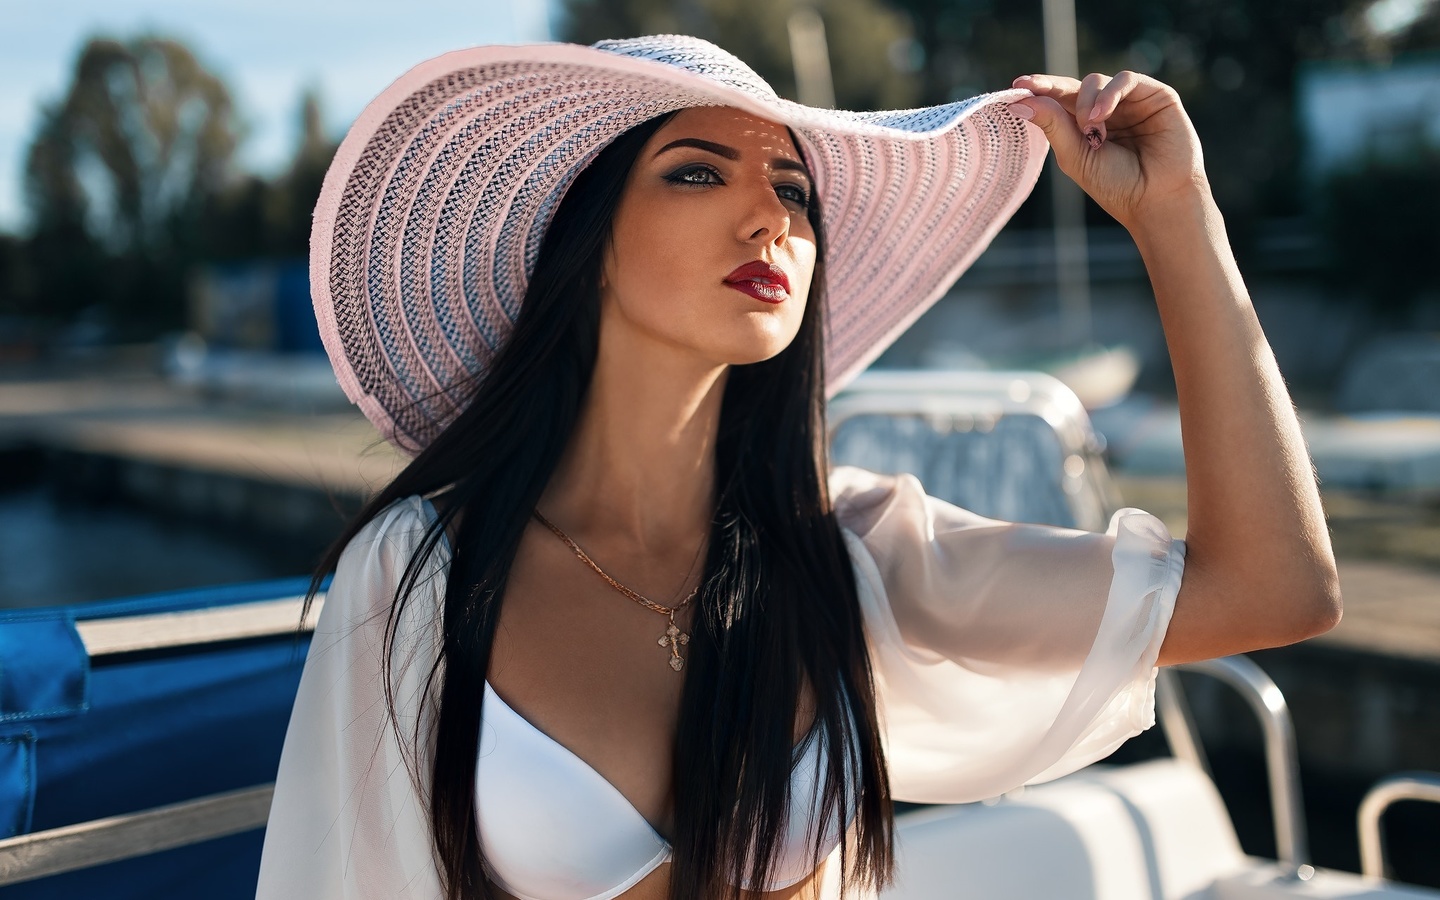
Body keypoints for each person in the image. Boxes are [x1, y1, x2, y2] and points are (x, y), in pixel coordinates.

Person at [256, 35, 1340, 900]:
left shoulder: (852, 555)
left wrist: (1178, 219)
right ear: (578, 246)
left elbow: (1274, 591)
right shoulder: (422, 573)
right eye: (695, 171)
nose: (771, 215)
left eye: (795, 189)